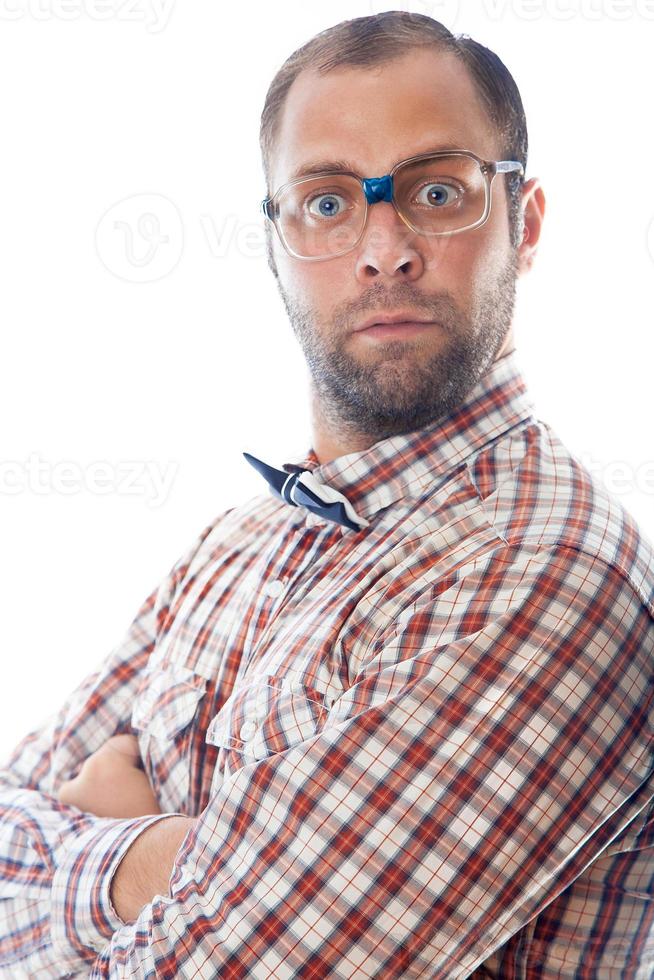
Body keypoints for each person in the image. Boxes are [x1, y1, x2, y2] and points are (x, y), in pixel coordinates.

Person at [1, 10, 652, 978]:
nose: (383, 247)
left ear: (528, 224)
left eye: (438, 190)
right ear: (274, 243)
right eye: (328, 201)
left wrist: (104, 849)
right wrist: (157, 864)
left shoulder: (553, 570)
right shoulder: (233, 545)